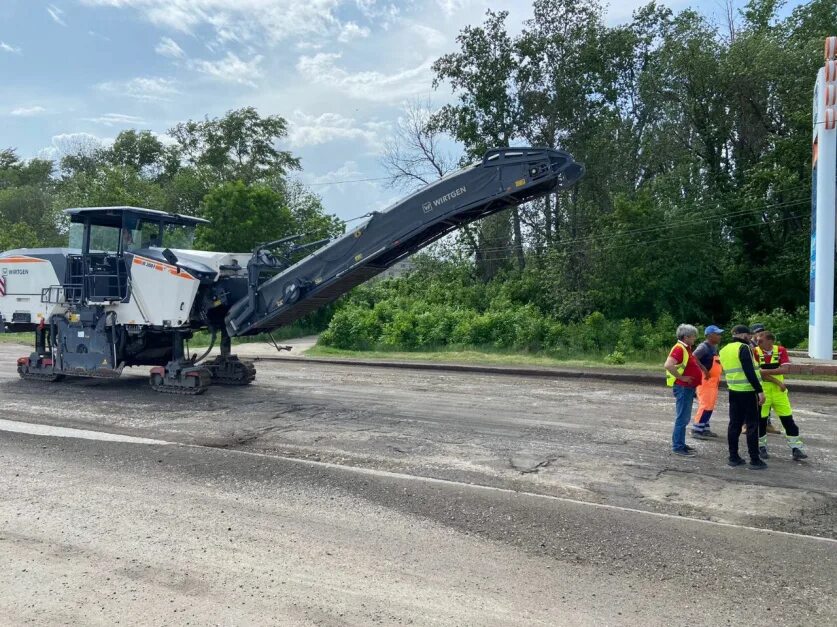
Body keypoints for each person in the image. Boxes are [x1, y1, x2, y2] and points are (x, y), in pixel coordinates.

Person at [718, 325, 767, 469]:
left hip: (733, 390)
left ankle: (733, 457)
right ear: (742, 335)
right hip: (747, 391)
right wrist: (759, 390)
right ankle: (754, 459)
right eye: (748, 335)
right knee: (752, 425)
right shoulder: (743, 348)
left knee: (734, 424)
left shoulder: (723, 350)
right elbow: (749, 371)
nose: (750, 337)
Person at [754, 333, 808, 461]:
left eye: (761, 341)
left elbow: (785, 369)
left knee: (788, 420)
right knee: (761, 422)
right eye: (758, 341)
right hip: (764, 390)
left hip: (779, 393)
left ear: (770, 341)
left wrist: (764, 371)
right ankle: (761, 447)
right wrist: (777, 380)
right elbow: (758, 374)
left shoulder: (780, 350)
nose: (758, 343)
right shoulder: (754, 351)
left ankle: (796, 448)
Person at [664, 324, 705, 456]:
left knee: (684, 417)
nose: (695, 339)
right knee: (682, 418)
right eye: (693, 336)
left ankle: (680, 443)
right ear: (686, 337)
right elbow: (668, 365)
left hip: (686, 387)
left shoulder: (685, 348)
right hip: (683, 387)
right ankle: (678, 446)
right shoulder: (680, 348)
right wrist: (681, 377)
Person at [691, 325, 724, 438]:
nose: (720, 336)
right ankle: (696, 430)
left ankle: (704, 428)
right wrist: (704, 369)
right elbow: (693, 357)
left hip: (712, 382)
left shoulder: (713, 347)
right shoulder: (704, 347)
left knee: (709, 405)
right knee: (705, 405)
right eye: (717, 334)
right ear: (710, 336)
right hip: (705, 382)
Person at [748, 323, 779, 433]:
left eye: (761, 331)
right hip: (753, 377)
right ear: (752, 334)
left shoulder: (764, 344)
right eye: (757, 332)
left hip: (764, 377)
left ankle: (767, 424)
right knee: (752, 402)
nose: (759, 334)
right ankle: (746, 424)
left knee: (766, 402)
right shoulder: (749, 345)